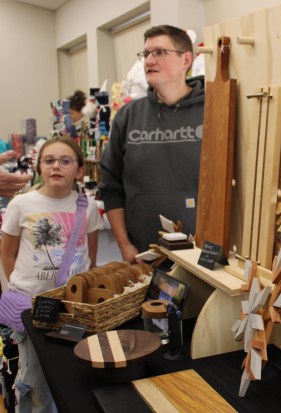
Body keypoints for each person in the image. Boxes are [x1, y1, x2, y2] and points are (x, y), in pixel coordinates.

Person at [0, 135, 103, 413]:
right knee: (33, 376)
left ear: (79, 170)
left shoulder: (88, 207)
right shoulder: (21, 205)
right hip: (31, 305)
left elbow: (90, 255)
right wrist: (19, 289)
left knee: (71, 369)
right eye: (49, 160)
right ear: (39, 167)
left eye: (65, 161)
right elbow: (7, 254)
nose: (56, 166)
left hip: (73, 307)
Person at [99, 25, 204, 262]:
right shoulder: (127, 117)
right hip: (143, 255)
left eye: (159, 52)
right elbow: (110, 186)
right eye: (146, 54)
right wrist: (124, 245)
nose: (149, 60)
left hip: (202, 254)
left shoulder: (212, 111)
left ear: (186, 59)